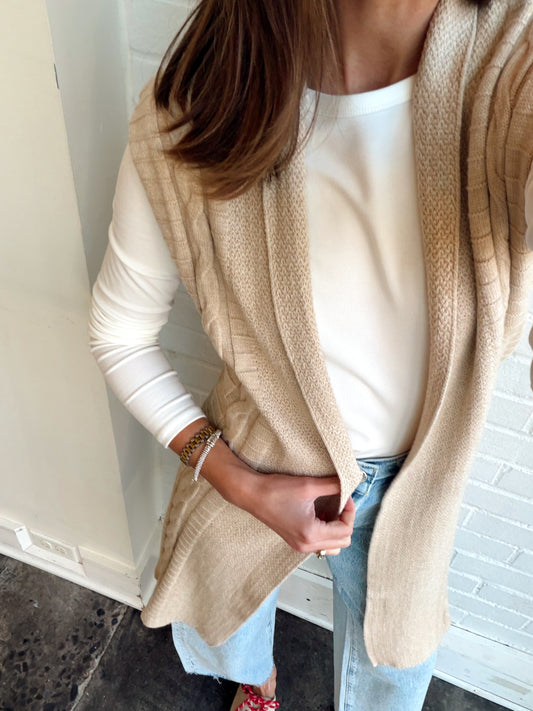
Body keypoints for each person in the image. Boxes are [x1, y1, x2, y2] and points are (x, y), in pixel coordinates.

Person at [89, 0, 533, 709]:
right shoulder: (199, 102)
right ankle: (256, 681)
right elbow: (119, 334)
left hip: (417, 488)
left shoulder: (513, 68)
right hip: (255, 458)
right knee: (228, 617)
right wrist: (239, 482)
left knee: (393, 666)